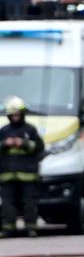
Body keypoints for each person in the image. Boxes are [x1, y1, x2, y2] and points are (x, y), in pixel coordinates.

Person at [0, 96, 44, 237]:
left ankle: (31, 228)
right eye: (13, 114)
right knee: (7, 203)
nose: (15, 117)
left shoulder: (30, 130)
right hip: (7, 175)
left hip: (28, 175)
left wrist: (24, 143)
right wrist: (4, 144)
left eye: (18, 114)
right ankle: (8, 228)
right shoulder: (4, 131)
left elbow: (39, 148)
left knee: (29, 203)